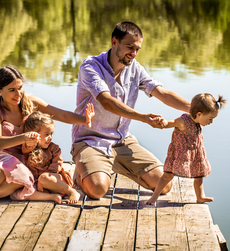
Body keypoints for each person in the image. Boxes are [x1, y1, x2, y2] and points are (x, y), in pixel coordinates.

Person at [0, 66, 94, 210]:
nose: (18, 93)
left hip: (21, 164)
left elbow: (62, 114)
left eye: (20, 88)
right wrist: (23, 138)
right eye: (12, 90)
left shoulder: (30, 102)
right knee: (8, 162)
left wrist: (84, 120)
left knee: (17, 186)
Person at [71, 21, 191, 200]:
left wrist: (195, 110)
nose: (133, 53)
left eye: (137, 49)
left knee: (164, 184)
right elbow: (107, 102)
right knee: (97, 189)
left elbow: (162, 93)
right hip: (91, 140)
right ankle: (82, 175)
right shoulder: (91, 67)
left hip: (122, 141)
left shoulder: (135, 68)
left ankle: (113, 165)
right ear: (114, 42)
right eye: (129, 47)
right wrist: (144, 117)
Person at [146, 93, 226, 205]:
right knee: (167, 175)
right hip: (179, 154)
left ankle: (200, 197)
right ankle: (154, 197)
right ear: (199, 114)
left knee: (199, 176)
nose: (211, 122)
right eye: (210, 119)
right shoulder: (183, 121)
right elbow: (171, 123)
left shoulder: (198, 121)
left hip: (195, 154)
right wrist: (164, 122)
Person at [22, 111, 81, 204]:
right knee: (17, 194)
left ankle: (71, 191)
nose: (50, 137)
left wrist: (43, 179)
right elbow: (24, 153)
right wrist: (31, 141)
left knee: (44, 178)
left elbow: (57, 165)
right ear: (35, 134)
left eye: (51, 134)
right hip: (38, 184)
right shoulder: (28, 148)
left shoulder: (53, 148)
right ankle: (51, 196)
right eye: (46, 134)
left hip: (54, 178)